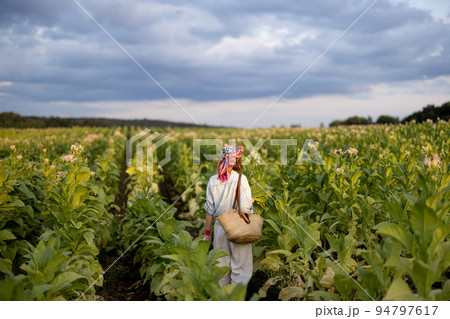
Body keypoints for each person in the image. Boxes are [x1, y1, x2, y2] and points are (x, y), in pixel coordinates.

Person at [203, 145, 254, 287]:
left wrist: (208, 234)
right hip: (237, 226)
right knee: (241, 266)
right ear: (237, 160)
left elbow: (209, 211)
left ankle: (223, 297)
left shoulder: (213, 181)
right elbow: (244, 208)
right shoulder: (241, 179)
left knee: (221, 265)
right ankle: (236, 297)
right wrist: (251, 202)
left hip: (220, 227)